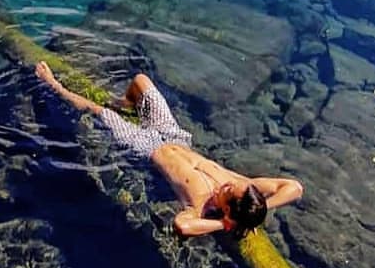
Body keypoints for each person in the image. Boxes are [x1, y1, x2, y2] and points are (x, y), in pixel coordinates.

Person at [34, 61, 303, 237]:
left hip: (146, 148)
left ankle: (53, 85)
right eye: (230, 186)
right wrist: (256, 213)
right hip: (173, 135)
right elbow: (294, 188)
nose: (226, 184)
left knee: (98, 111)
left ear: (229, 211)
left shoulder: (199, 207)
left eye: (226, 192)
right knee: (141, 81)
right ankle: (125, 103)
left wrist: (226, 224)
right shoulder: (245, 186)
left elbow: (182, 225)